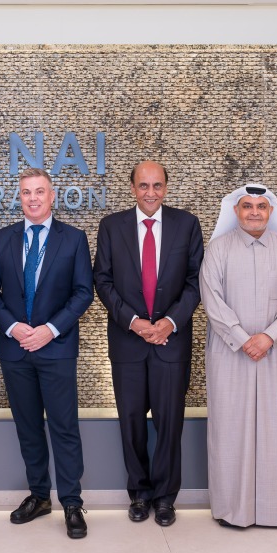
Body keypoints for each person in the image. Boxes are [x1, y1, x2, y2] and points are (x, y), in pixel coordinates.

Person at [0, 168, 94, 539]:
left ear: (52, 195)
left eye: (39, 192)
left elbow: (83, 293)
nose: (32, 198)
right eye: (26, 192)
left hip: (56, 348)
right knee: (28, 427)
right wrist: (14, 328)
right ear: (20, 196)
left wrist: (50, 330)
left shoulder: (74, 240)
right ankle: (39, 496)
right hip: (15, 350)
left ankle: (73, 503)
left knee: (64, 427)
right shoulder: (2, 239)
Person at [93, 160, 203, 526]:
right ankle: (139, 494)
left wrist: (169, 322)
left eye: (157, 185)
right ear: (132, 188)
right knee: (132, 422)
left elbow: (195, 281)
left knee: (170, 423)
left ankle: (166, 497)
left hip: (171, 341)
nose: (150, 192)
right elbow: (103, 281)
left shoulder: (187, 225)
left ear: (166, 188)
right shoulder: (111, 227)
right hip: (128, 341)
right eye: (143, 185)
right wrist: (133, 322)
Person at [200, 184, 277, 528]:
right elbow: (211, 301)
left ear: (271, 212)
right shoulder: (218, 249)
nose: (255, 212)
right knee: (230, 430)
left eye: (262, 206)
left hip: (276, 352)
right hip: (230, 352)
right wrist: (244, 338)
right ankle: (233, 510)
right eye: (248, 206)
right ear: (236, 211)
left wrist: (268, 337)